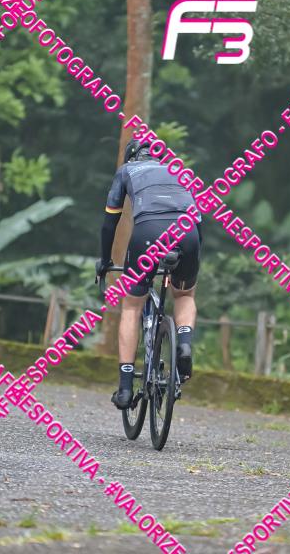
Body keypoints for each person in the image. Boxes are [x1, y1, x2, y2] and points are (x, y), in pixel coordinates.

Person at [97, 138, 202, 409]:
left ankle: (124, 387)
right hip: (187, 233)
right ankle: (184, 342)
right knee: (184, 294)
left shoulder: (126, 171)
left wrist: (105, 260)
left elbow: (109, 224)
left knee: (132, 306)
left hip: (148, 231)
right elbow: (199, 224)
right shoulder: (181, 171)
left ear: (132, 157)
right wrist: (191, 254)